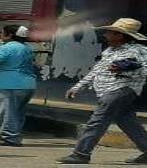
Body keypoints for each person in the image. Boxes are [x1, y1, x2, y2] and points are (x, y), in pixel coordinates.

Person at [57, 18, 147, 165]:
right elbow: (96, 71)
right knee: (128, 123)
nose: (105, 35)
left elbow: (143, 72)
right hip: (108, 91)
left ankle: (81, 153)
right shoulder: (110, 51)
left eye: (110, 33)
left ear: (120, 35)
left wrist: (125, 69)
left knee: (97, 121)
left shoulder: (138, 51)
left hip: (120, 90)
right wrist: (77, 86)